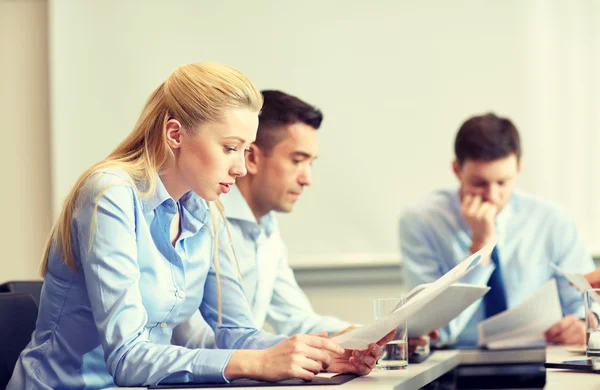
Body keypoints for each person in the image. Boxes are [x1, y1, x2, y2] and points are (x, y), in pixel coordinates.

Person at [8, 63, 390, 390]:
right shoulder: (110, 194)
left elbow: (237, 333)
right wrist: (256, 363)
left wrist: (318, 356)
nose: (241, 168)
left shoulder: (204, 210)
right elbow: (126, 358)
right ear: (175, 135)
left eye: (246, 150)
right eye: (229, 148)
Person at [172, 90, 433, 353]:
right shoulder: (201, 215)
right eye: (297, 161)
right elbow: (195, 338)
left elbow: (296, 319)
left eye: (310, 163)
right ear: (251, 157)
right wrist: (281, 354)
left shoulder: (267, 227)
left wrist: (373, 336)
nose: (307, 178)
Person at [399, 112, 595, 347]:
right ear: (456, 170)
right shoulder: (422, 221)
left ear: (519, 168)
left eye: (503, 182)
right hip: (453, 362)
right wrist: (481, 247)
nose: (492, 196)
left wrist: (585, 324)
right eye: (479, 183)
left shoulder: (552, 220)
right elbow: (435, 332)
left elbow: (585, 303)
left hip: (539, 358)